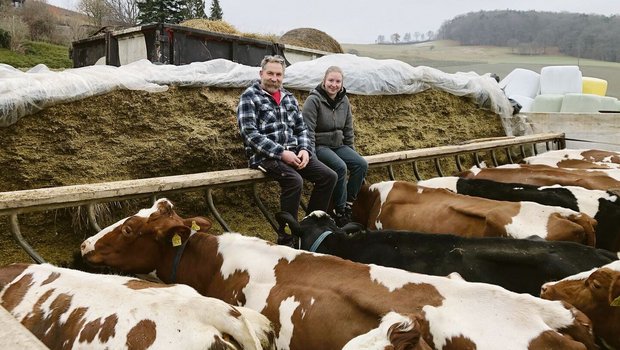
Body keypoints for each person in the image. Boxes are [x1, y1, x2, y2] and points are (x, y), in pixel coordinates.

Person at [237, 55, 337, 247]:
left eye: (278, 74)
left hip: (294, 153)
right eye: (270, 74)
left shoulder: (288, 98)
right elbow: (250, 134)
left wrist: (305, 150)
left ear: (283, 76)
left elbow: (302, 129)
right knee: (294, 180)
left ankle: (311, 228)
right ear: (261, 74)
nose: (274, 78)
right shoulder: (249, 97)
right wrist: (281, 153)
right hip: (265, 156)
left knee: (329, 176)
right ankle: (287, 237)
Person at [302, 66, 368, 227]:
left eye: (338, 81)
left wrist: (351, 151)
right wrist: (313, 157)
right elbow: (307, 130)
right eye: (331, 80)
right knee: (340, 167)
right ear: (324, 81)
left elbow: (348, 129)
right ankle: (340, 211)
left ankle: (349, 203)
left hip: (338, 145)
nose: (334, 84)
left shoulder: (344, 100)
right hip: (320, 146)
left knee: (361, 164)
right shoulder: (314, 100)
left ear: (342, 83)